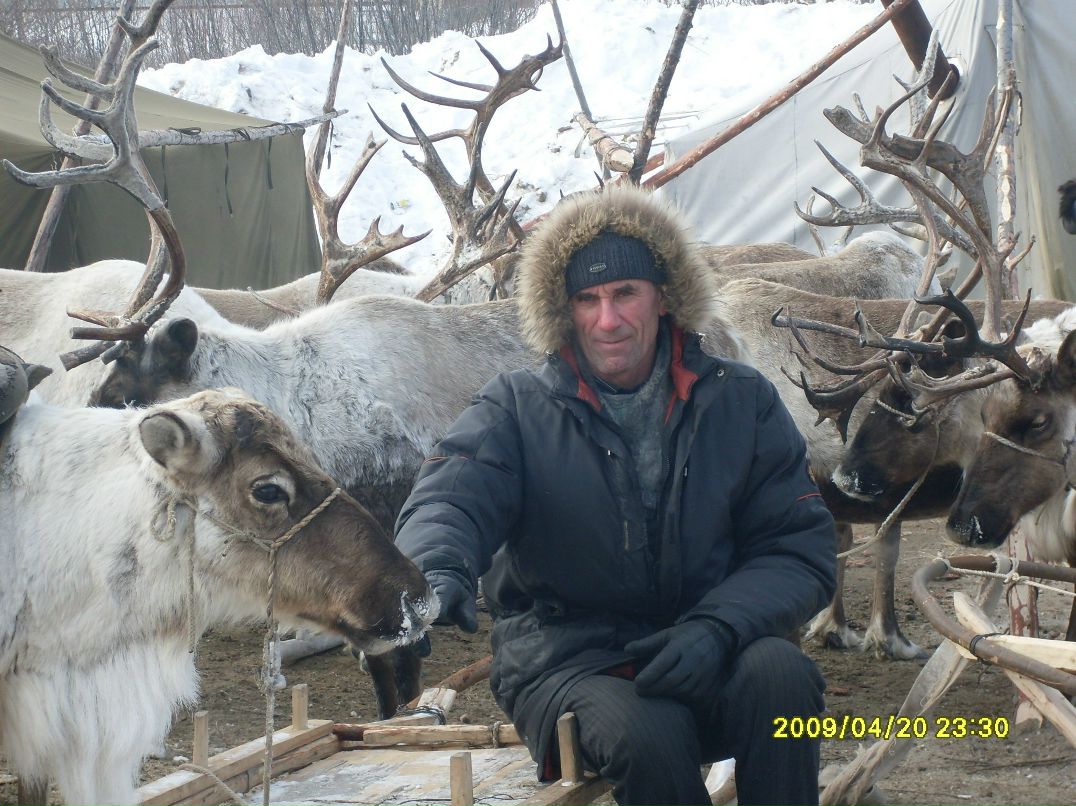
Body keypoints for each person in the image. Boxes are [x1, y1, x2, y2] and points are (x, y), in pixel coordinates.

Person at [394, 184, 837, 806]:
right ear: (564, 310)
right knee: (648, 732)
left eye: (625, 293)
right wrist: (435, 568)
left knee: (785, 677)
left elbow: (798, 549)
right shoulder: (517, 407)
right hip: (569, 659)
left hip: (706, 642)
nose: (608, 320)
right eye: (588, 299)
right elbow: (450, 498)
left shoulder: (740, 401)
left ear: (664, 296)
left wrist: (717, 628)